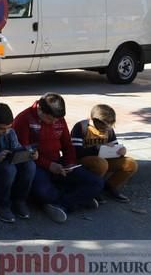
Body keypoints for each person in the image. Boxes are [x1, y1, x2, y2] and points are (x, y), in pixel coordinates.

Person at [13, 93, 104, 223]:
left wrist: (70, 164)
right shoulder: (24, 119)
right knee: (44, 192)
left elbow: (68, 145)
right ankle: (77, 200)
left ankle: (62, 204)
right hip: (37, 166)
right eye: (50, 119)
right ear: (40, 110)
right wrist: (48, 165)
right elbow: (23, 153)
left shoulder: (58, 118)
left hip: (59, 164)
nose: (54, 122)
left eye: (57, 120)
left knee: (97, 183)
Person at [71, 104, 138, 203]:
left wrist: (120, 151)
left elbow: (114, 146)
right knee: (101, 163)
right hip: (84, 161)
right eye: (103, 128)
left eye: (109, 126)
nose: (106, 130)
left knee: (131, 164)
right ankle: (94, 189)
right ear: (93, 120)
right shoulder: (81, 127)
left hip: (105, 161)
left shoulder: (109, 128)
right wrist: (97, 148)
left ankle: (110, 187)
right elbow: (76, 151)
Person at [0, 103, 38, 223]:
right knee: (9, 169)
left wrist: (29, 155)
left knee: (30, 166)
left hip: (7, 167)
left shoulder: (10, 133)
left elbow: (17, 149)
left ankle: (19, 201)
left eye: (9, 127)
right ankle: (1, 205)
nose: (6, 131)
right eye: (1, 128)